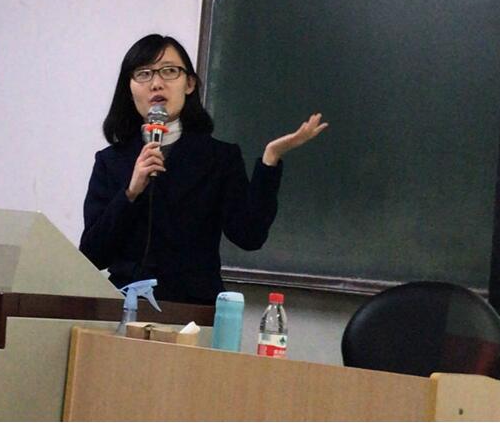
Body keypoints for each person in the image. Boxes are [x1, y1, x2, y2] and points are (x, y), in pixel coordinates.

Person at [79, 34, 327, 304]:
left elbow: (249, 236)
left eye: (169, 71)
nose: (156, 83)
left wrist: (271, 159)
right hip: (125, 307)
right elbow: (92, 255)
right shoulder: (110, 162)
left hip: (195, 311)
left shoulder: (219, 158)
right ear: (129, 89)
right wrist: (130, 192)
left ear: (189, 84)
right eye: (144, 74)